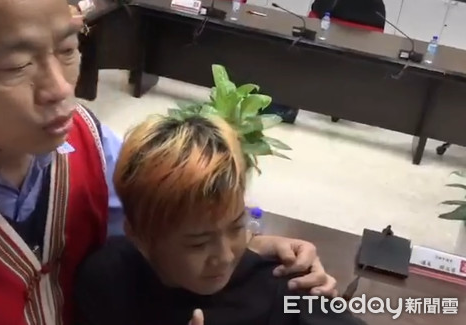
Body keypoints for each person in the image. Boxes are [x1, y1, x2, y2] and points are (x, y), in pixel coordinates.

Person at [0, 0, 335, 325]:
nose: (58, 89)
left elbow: (165, 224)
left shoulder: (88, 141)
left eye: (68, 50)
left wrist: (249, 249)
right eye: (16, 65)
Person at [75, 114, 365, 325]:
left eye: (237, 227)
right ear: (139, 236)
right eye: (199, 244)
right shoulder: (105, 280)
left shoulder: (285, 291)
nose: (225, 257)